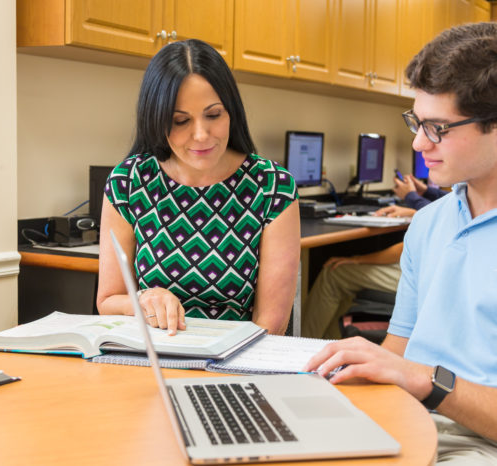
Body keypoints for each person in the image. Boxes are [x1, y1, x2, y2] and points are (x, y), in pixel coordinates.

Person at [305, 22, 497, 463]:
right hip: (403, 417)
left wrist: (425, 380)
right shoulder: (428, 224)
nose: (417, 142)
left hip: (477, 443)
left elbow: (416, 373)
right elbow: (399, 350)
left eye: (438, 128)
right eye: (417, 122)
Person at [96, 39, 300, 337]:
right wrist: (144, 298)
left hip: (235, 362)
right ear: (156, 120)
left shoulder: (272, 187)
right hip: (151, 359)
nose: (201, 135)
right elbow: (108, 301)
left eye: (214, 115)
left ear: (232, 112)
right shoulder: (129, 182)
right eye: (180, 121)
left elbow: (270, 325)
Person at [301, 202, 417, 340]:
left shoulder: (440, 210)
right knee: (343, 281)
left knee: (335, 273)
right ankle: (328, 346)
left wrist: (358, 259)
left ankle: (304, 342)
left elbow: (404, 250)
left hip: (422, 277)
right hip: (431, 275)